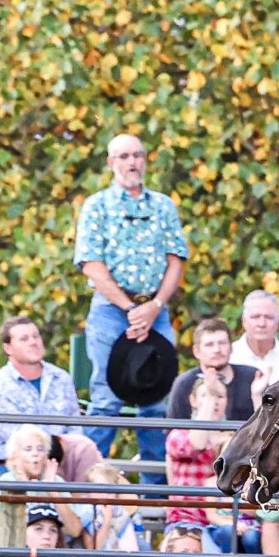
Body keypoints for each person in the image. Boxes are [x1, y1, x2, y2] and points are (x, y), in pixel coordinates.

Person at [74, 134, 187, 462]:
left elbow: (175, 260)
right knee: (106, 397)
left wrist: (153, 307)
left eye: (137, 155)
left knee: (155, 396)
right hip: (112, 310)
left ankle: (154, 495)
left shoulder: (163, 205)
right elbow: (91, 265)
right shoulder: (97, 205)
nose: (132, 162)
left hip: (156, 309)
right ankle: (91, 485)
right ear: (111, 163)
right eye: (123, 156)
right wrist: (130, 309)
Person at [0, 315, 93, 473]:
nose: (33, 342)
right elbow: (15, 437)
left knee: (90, 456)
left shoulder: (61, 378)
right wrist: (52, 448)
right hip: (12, 464)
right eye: (24, 339)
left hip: (63, 461)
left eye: (35, 336)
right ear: (8, 348)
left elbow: (74, 426)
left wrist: (64, 452)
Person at [165, 378, 258, 555]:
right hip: (188, 521)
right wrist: (212, 395)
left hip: (229, 520)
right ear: (193, 400)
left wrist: (257, 395)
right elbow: (197, 444)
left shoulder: (233, 439)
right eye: (206, 395)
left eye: (220, 396)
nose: (214, 401)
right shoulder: (179, 435)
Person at [0, 429, 84, 542]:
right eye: (28, 449)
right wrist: (25, 491)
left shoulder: (56, 481)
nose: (35, 454)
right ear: (14, 458)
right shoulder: (4, 482)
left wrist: (53, 491)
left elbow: (75, 530)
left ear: (46, 456)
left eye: (40, 449)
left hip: (54, 551)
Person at [165, 316, 256, 422]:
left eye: (222, 343)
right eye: (209, 345)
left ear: (231, 348)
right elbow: (174, 432)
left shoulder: (252, 378)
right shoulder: (184, 384)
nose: (217, 350)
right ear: (196, 351)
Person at [232, 288, 279, 388]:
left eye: (269, 317)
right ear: (243, 321)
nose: (262, 324)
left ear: (278, 321)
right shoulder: (230, 357)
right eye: (255, 317)